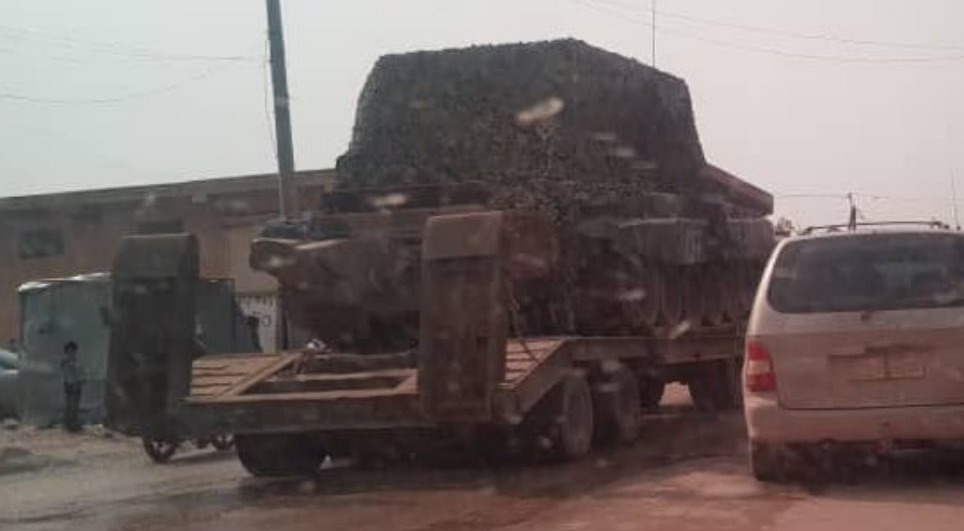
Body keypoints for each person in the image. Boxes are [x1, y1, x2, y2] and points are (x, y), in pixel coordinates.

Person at [61, 341, 84, 433]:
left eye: (72, 350)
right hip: (69, 384)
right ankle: (68, 424)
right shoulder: (65, 362)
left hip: (76, 384)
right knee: (69, 405)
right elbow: (64, 373)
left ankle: (73, 424)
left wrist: (81, 381)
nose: (70, 352)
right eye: (68, 351)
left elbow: (81, 372)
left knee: (75, 405)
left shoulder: (77, 361)